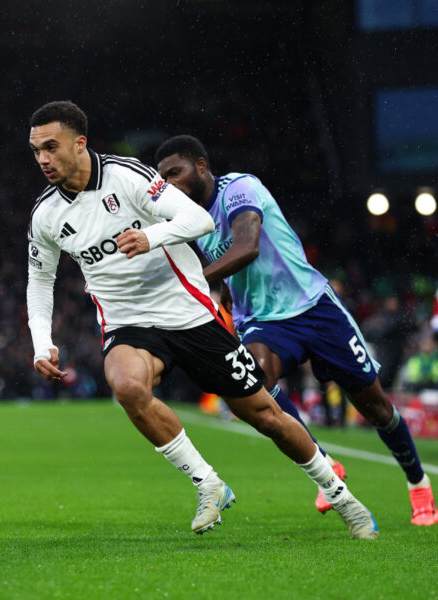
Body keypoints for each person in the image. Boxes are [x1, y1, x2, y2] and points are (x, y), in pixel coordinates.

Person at [26, 100, 378, 539]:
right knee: (126, 384)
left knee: (264, 415)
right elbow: (39, 280)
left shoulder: (128, 175)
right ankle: (208, 483)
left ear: (79, 144)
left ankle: (339, 493)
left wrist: (150, 236)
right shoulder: (46, 214)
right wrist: (42, 342)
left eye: (50, 147)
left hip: (188, 313)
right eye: (36, 149)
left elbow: (197, 219)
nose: (42, 158)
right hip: (127, 321)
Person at [155, 134, 438, 527]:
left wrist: (193, 284)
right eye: (163, 177)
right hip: (262, 321)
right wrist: (229, 311)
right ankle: (323, 462)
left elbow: (247, 246)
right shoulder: (192, 222)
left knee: (376, 407)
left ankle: (418, 482)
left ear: (200, 166)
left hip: (313, 308)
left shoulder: (239, 188)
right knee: (256, 380)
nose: (169, 183)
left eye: (175, 172)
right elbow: (231, 275)